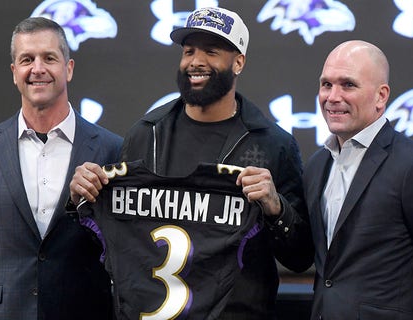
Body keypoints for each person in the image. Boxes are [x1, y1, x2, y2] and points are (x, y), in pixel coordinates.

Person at [69, 7, 313, 319]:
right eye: (188, 51)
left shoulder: (273, 144)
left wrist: (276, 207)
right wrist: (80, 199)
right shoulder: (146, 134)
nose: (195, 61)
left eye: (211, 51)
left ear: (238, 62)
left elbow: (300, 256)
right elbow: (116, 242)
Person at [0, 17, 122, 320]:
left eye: (49, 58)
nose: (37, 68)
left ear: (69, 68)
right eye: (27, 59)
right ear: (14, 73)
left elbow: (121, 250)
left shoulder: (110, 148)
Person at [304, 40, 413, 319]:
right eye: (326, 84)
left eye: (348, 84)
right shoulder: (316, 165)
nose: (332, 96)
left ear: (381, 96)